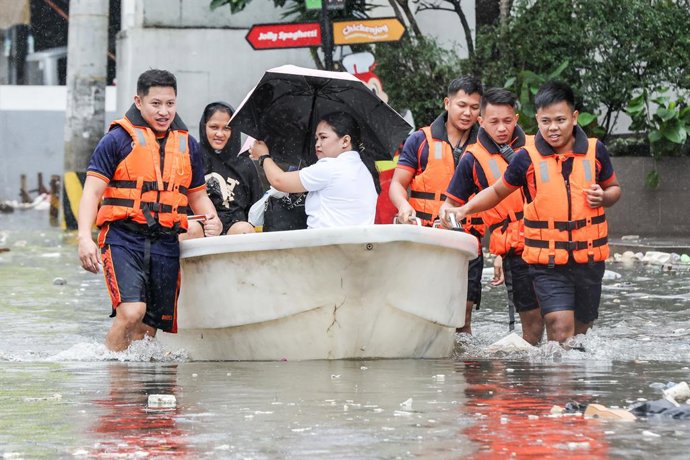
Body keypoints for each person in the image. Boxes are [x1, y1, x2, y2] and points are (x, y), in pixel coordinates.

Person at [440, 81, 621, 344]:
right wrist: (464, 209)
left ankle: (570, 381)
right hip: (539, 259)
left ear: (574, 117)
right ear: (537, 119)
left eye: (560, 120)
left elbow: (614, 189)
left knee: (579, 335)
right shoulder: (521, 157)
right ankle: (544, 382)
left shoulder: (594, 151)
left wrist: (604, 197)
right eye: (546, 121)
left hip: (586, 259)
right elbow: (496, 191)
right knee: (555, 329)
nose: (553, 127)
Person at [77, 69, 222, 352]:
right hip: (123, 237)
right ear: (139, 101)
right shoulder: (117, 140)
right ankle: (112, 379)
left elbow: (198, 197)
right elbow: (92, 191)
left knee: (148, 327)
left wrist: (213, 220)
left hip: (166, 241)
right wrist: (84, 237)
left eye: (170, 104)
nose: (164, 111)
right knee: (132, 312)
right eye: (156, 104)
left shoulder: (188, 145)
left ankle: (135, 388)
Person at [439, 87, 544, 345]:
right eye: (494, 122)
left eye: (507, 121)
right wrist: (446, 218)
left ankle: (553, 373)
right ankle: (530, 377)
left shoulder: (538, 146)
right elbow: (450, 204)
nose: (501, 128)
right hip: (513, 249)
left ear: (517, 119)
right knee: (531, 323)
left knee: (556, 320)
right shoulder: (472, 159)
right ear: (481, 122)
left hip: (547, 241)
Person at [388, 75, 484, 334]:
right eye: (462, 105)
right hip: (426, 238)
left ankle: (461, 368)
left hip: (467, 240)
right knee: (422, 311)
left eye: (474, 108)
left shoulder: (486, 144)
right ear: (447, 103)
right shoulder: (420, 140)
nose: (467, 113)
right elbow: (397, 184)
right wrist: (403, 206)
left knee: (463, 318)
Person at [249, 111, 378, 229]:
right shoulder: (365, 171)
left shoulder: (330, 167)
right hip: (355, 249)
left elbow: (279, 181)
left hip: (324, 249)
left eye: (323, 137)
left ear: (345, 141)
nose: (317, 144)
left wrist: (263, 156)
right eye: (316, 138)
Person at [183, 101, 263, 238]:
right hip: (199, 223)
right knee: (189, 228)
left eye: (226, 128)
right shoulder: (191, 156)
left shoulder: (245, 164)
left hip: (233, 225)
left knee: (245, 230)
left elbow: (257, 207)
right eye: (214, 127)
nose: (219, 134)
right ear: (204, 127)